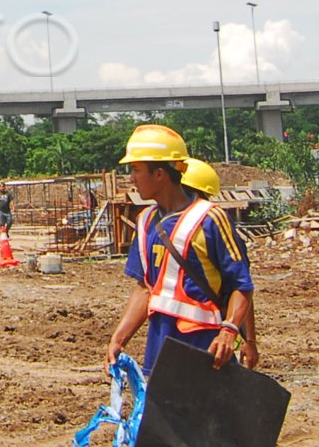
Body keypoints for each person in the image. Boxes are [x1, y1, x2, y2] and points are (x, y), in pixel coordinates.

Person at [105, 126, 253, 377]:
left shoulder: (211, 219)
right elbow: (145, 289)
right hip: (161, 351)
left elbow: (241, 285)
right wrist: (119, 338)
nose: (131, 178)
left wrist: (231, 332)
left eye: (136, 170)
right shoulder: (145, 221)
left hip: (207, 353)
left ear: (160, 174)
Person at [180, 157, 259, 369]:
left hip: (215, 333)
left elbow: (241, 288)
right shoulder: (165, 228)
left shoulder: (216, 229)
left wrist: (248, 340)